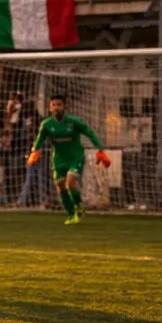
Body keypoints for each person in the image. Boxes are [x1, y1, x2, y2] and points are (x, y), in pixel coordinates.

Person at [27, 95, 110, 225]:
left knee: (70, 181)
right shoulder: (46, 125)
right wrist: (35, 151)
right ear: (49, 108)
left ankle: (79, 205)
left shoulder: (74, 121)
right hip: (59, 159)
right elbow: (39, 139)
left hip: (75, 157)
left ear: (64, 107)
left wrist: (100, 149)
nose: (56, 107)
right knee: (60, 186)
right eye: (53, 105)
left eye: (59, 105)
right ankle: (71, 215)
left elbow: (90, 133)